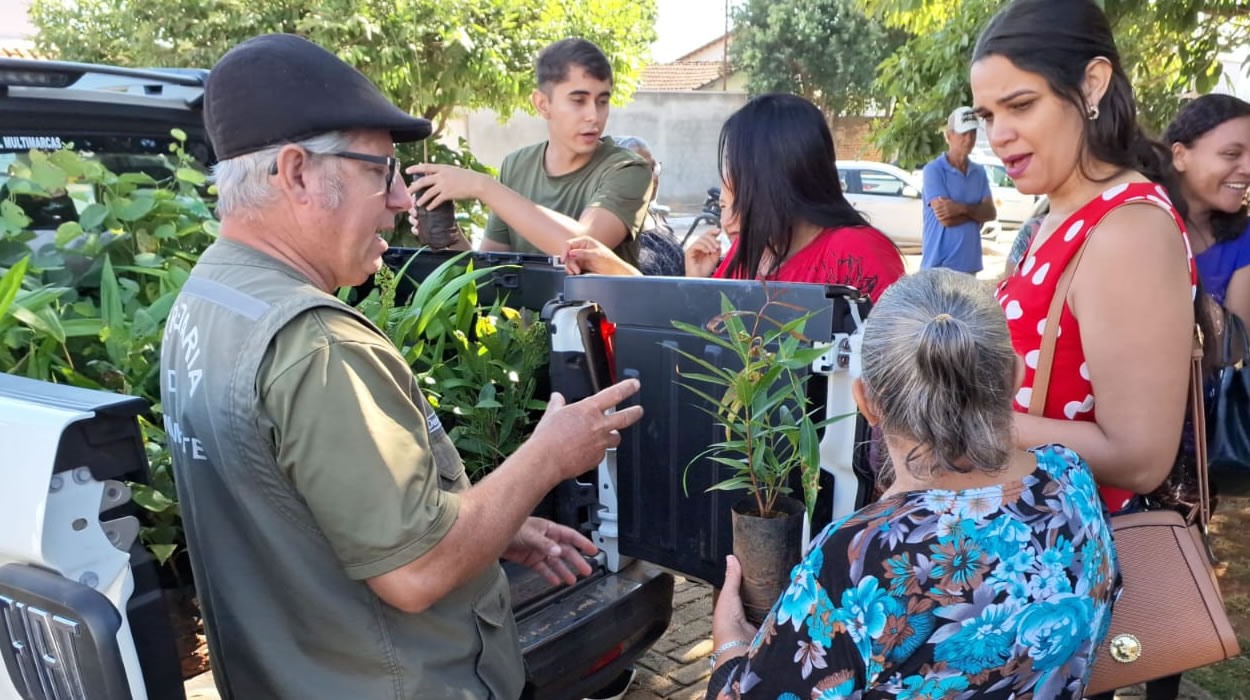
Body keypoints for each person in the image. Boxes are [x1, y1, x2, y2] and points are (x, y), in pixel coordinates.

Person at [159, 34, 643, 699]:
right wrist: (549, 456)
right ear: (297, 173)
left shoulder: (210, 297)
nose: (398, 200)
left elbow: (310, 514)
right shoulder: (317, 345)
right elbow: (415, 573)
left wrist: (493, 526)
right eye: (378, 171)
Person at [706, 268, 1120, 698]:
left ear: (866, 402)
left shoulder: (857, 556)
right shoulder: (1070, 479)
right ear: (1014, 377)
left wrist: (730, 645)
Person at [974, 2, 1201, 696]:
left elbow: (1140, 454)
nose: (999, 134)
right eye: (985, 115)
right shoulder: (1057, 213)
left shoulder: (1127, 228)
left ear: (1093, 84)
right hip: (1016, 562)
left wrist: (965, 421)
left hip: (1054, 577)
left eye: (1020, 104)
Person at [564, 94, 904, 303]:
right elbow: (693, 332)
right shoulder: (747, 255)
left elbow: (887, 370)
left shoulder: (856, 252)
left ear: (773, 176)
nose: (730, 204)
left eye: (738, 172)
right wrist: (694, 282)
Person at [407, 38, 652, 268]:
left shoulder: (629, 169)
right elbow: (491, 271)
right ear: (542, 104)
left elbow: (584, 249)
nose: (594, 115)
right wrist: (446, 234)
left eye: (602, 101)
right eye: (578, 100)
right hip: (523, 315)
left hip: (599, 314)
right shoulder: (517, 165)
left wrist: (481, 186)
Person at [1166, 94, 1250, 325]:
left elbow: (1234, 348)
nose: (1248, 168)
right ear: (1180, 156)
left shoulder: (1244, 239)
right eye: (1232, 154)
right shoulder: (1134, 222)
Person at [920, 107, 998, 274]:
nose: (969, 139)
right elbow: (946, 219)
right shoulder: (933, 170)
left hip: (969, 267)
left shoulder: (979, 172)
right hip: (938, 266)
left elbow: (990, 213)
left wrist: (960, 208)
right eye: (963, 134)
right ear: (949, 136)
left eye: (973, 133)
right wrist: (976, 214)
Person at [615, 135, 687, 276]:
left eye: (654, 168)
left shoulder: (656, 217)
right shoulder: (611, 231)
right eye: (640, 170)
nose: (653, 178)